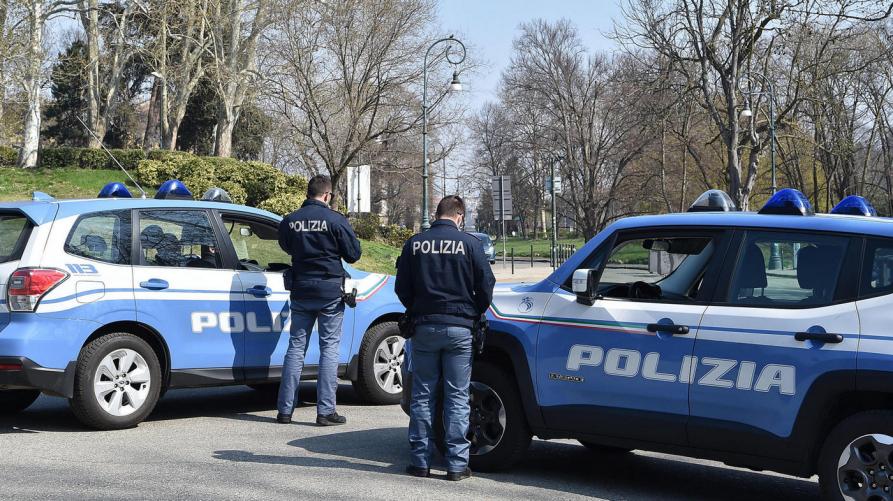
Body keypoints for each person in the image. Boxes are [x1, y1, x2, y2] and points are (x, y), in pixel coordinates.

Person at [395, 195, 496, 481]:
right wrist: (472, 312)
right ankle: (456, 465)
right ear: (460, 216)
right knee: (457, 396)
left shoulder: (415, 244)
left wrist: (416, 309)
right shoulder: (471, 244)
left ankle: (419, 462)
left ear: (436, 214)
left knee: (423, 395)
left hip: (424, 327)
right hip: (460, 328)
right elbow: (486, 286)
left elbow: (402, 287)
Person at [277, 174, 362, 426]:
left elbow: (286, 246)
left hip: (301, 289)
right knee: (329, 349)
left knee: (295, 347)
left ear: (308, 193)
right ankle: (325, 411)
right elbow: (354, 254)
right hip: (329, 291)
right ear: (327, 195)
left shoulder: (290, 220)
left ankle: (284, 410)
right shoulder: (335, 220)